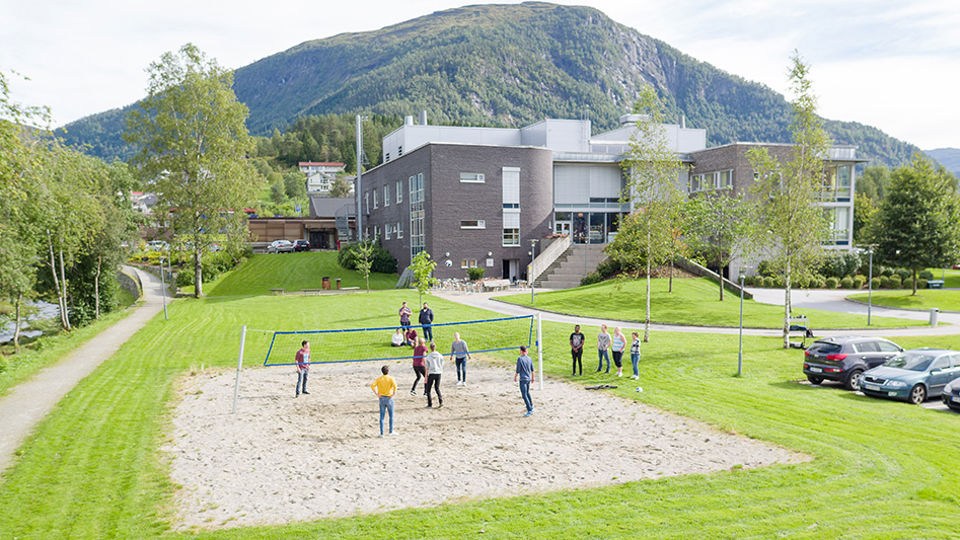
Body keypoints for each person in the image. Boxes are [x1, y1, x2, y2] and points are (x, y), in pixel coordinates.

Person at [370, 365, 397, 437]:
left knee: (382, 416)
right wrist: (393, 394)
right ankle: (391, 431)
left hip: (381, 398)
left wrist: (376, 394)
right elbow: (395, 387)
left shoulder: (379, 379)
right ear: (388, 371)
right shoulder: (391, 378)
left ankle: (381, 433)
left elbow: (372, 385)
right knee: (391, 415)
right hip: (389, 398)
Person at [514, 345, 535, 416]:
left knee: (524, 394)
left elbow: (518, 370)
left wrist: (515, 377)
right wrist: (533, 378)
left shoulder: (520, 359)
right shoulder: (530, 358)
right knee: (527, 392)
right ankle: (531, 405)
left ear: (521, 351)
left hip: (523, 379)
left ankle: (529, 409)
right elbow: (532, 370)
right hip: (528, 378)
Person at [424, 341, 444, 408]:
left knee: (428, 389)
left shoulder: (428, 357)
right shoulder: (440, 355)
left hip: (432, 373)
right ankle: (441, 401)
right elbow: (442, 364)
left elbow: (427, 368)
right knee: (437, 388)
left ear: (430, 348)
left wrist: (426, 377)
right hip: (438, 373)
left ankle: (430, 404)